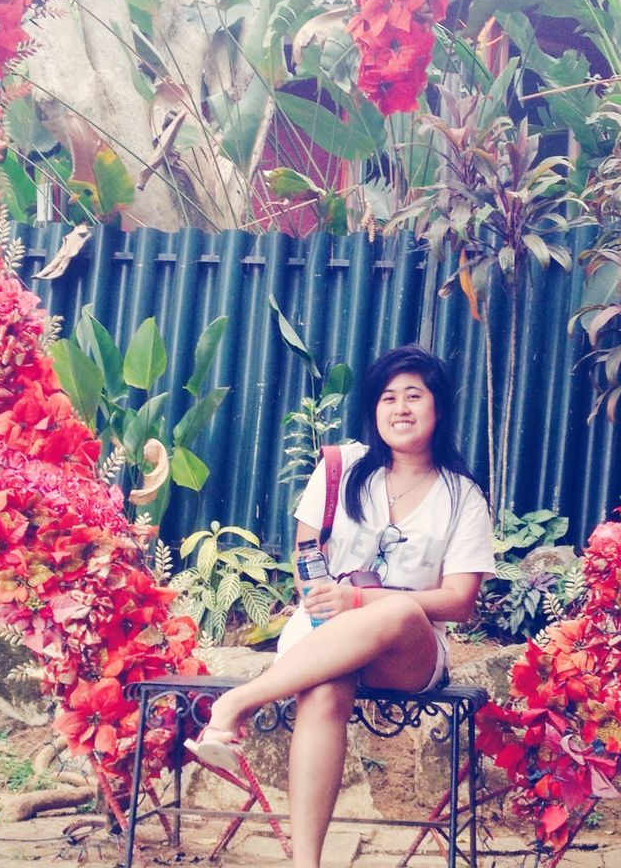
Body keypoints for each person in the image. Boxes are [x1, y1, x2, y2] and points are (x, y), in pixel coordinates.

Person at [190, 344, 494, 868]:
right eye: (387, 397)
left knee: (397, 611)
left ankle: (238, 703)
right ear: (374, 410)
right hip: (323, 635)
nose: (399, 408)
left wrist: (362, 598)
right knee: (327, 688)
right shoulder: (341, 468)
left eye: (413, 396)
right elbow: (307, 562)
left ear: (437, 408)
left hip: (408, 655)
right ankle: (306, 863)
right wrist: (325, 596)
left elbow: (459, 601)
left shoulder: (462, 496)